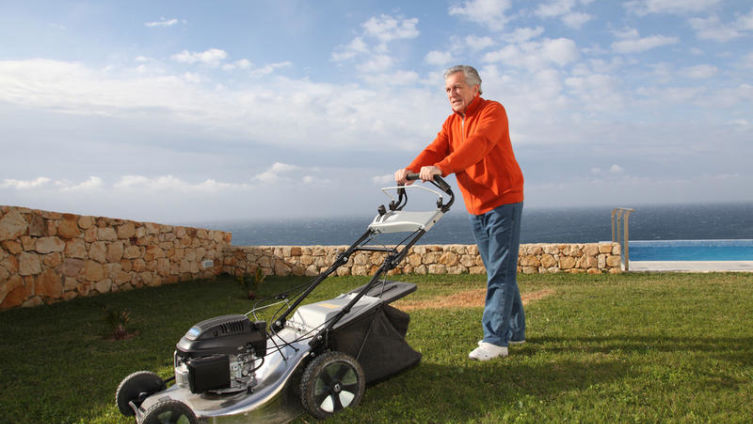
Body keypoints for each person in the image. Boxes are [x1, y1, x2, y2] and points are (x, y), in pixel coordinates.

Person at [394, 65, 525, 361]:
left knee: (500, 272)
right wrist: (411, 170)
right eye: (447, 90)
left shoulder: (493, 111)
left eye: (457, 87)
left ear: (475, 88)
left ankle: (495, 340)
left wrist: (443, 167)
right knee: (498, 270)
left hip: (503, 199)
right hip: (476, 204)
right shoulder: (451, 123)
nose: (451, 94)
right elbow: (435, 149)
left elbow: (479, 145)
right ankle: (515, 331)